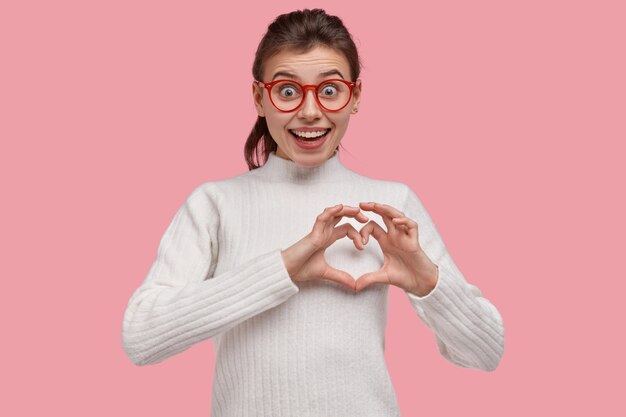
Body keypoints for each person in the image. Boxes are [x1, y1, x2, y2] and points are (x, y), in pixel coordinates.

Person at [121, 8, 504, 416]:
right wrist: (283, 269)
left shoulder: (393, 205)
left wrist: (429, 282)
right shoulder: (214, 204)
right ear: (259, 97)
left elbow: (486, 353)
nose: (309, 112)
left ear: (354, 97)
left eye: (329, 90)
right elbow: (142, 337)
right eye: (287, 91)